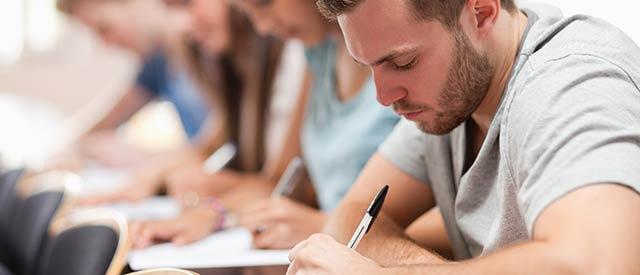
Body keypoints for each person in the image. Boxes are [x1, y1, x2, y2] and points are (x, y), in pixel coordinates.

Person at [287, 0, 640, 274]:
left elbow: (598, 265)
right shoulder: (449, 99)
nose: (383, 96)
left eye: (404, 62)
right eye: (370, 67)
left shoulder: (570, 86)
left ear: (482, 12)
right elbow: (351, 217)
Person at [133, 0, 400, 252]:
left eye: (264, 2)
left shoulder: (396, 51)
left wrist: (325, 226)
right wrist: (213, 213)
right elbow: (278, 181)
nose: (262, 27)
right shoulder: (318, 52)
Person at [57, 0, 210, 167]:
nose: (106, 44)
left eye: (105, 28)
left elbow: (226, 152)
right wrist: (71, 149)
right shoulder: (159, 62)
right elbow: (100, 125)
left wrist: (143, 157)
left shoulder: (212, 47)